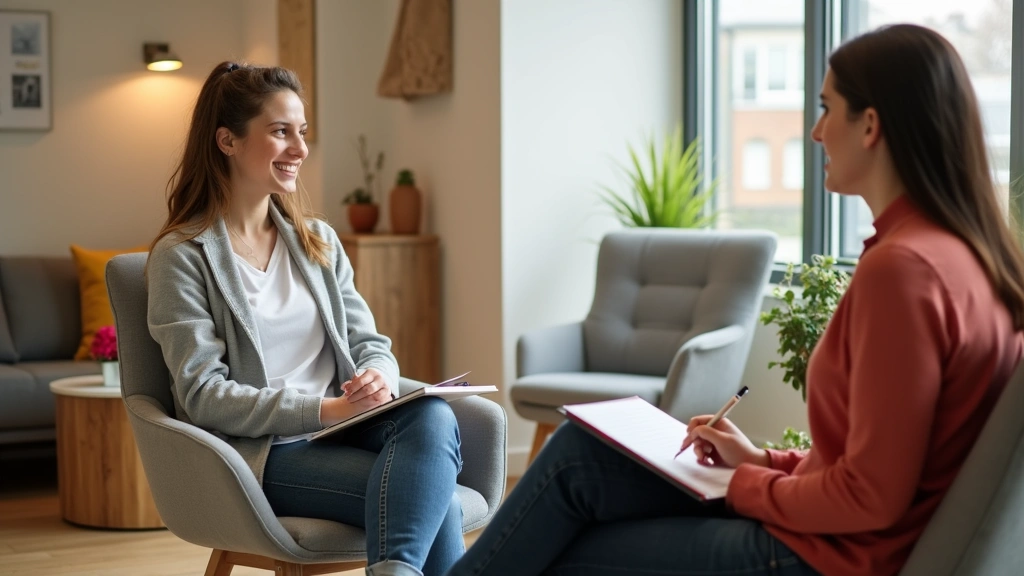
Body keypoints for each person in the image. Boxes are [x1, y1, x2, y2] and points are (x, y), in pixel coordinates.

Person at [445, 24, 1024, 576]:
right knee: (579, 456)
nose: (817, 131)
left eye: (825, 108)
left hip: (827, 558)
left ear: (870, 124)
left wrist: (744, 486)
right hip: (837, 539)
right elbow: (875, 463)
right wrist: (758, 461)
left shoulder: (905, 272)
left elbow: (870, 497)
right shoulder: (963, 258)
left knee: (560, 548)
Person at [147, 62, 463, 576]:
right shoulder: (183, 255)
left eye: (302, 132)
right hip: (264, 454)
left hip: (347, 426)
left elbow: (369, 340)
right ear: (227, 141)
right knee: (437, 502)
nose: (300, 149)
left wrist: (377, 374)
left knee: (433, 414)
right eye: (280, 132)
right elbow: (203, 394)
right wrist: (326, 410)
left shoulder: (317, 241)